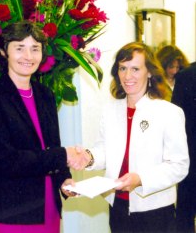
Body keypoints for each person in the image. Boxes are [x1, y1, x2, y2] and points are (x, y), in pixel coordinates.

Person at [72, 42, 189, 233]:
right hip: (117, 206)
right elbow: (105, 150)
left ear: (149, 72)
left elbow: (179, 165)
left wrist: (141, 179)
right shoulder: (111, 110)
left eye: (135, 69)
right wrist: (89, 157)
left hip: (155, 210)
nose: (127, 76)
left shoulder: (169, 112)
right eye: (122, 68)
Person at [0, 20, 77, 233]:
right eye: (19, 48)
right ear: (3, 51)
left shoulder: (45, 95)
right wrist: (64, 155)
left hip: (47, 207)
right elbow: (7, 160)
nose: (28, 56)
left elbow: (52, 145)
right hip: (8, 210)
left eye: (35, 49)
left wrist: (65, 179)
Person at [172, 62, 196, 233]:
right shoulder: (187, 76)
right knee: (185, 217)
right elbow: (176, 125)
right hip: (190, 161)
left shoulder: (185, 75)